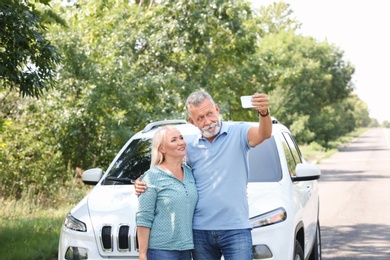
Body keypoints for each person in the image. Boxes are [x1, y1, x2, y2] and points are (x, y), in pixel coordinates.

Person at [136, 91, 272, 260]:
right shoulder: (189, 146)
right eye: (200, 118)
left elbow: (264, 134)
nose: (208, 121)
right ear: (192, 122)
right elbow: (166, 167)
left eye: (210, 114)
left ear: (217, 109)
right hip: (200, 231)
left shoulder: (239, 132)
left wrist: (264, 112)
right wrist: (142, 181)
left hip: (235, 228)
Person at [136, 126, 198, 260]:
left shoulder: (189, 173)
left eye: (181, 138)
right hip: (161, 250)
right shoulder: (152, 176)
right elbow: (144, 218)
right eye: (173, 140)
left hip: (186, 250)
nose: (181, 142)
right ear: (162, 148)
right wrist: (142, 254)